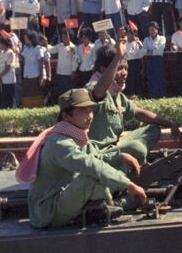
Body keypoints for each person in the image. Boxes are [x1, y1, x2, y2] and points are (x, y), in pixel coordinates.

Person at [20, 88, 146, 229]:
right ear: (66, 116)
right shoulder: (59, 143)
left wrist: (119, 156)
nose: (90, 116)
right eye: (83, 111)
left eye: (90, 110)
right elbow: (91, 165)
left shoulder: (76, 134)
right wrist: (129, 184)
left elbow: (96, 157)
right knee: (92, 178)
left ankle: (106, 200)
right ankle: (114, 204)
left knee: (121, 163)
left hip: (65, 194)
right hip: (49, 211)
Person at [89, 38, 182, 160]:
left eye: (126, 68)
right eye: (119, 68)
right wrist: (117, 56)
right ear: (103, 70)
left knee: (153, 129)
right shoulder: (94, 87)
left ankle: (129, 159)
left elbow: (138, 112)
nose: (124, 73)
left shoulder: (118, 96)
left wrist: (170, 124)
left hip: (115, 146)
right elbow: (99, 91)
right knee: (137, 148)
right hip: (100, 152)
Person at [21, 31, 49, 108]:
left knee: (36, 93)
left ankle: (38, 107)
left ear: (31, 39)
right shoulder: (25, 48)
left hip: (35, 75)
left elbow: (41, 63)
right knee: (28, 94)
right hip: (27, 75)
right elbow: (23, 60)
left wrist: (41, 77)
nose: (24, 39)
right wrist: (17, 52)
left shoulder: (38, 48)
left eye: (26, 38)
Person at [142, 21, 167, 99]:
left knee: (159, 77)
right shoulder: (146, 39)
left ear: (157, 30)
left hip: (158, 60)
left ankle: (161, 95)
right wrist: (152, 51)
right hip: (149, 60)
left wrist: (149, 51)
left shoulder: (162, 38)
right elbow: (143, 51)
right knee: (151, 78)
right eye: (150, 30)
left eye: (153, 29)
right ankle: (152, 96)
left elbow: (160, 50)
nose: (151, 31)